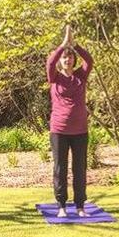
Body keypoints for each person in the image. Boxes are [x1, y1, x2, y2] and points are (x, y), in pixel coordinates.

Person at [47, 24, 93, 218]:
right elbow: (50, 63)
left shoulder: (81, 77)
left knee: (79, 169)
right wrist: (63, 45)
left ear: (74, 60)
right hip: (59, 130)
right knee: (60, 168)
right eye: (64, 57)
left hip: (80, 130)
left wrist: (75, 45)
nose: (67, 60)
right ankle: (61, 206)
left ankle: (80, 206)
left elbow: (89, 61)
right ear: (61, 61)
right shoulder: (54, 78)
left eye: (70, 57)